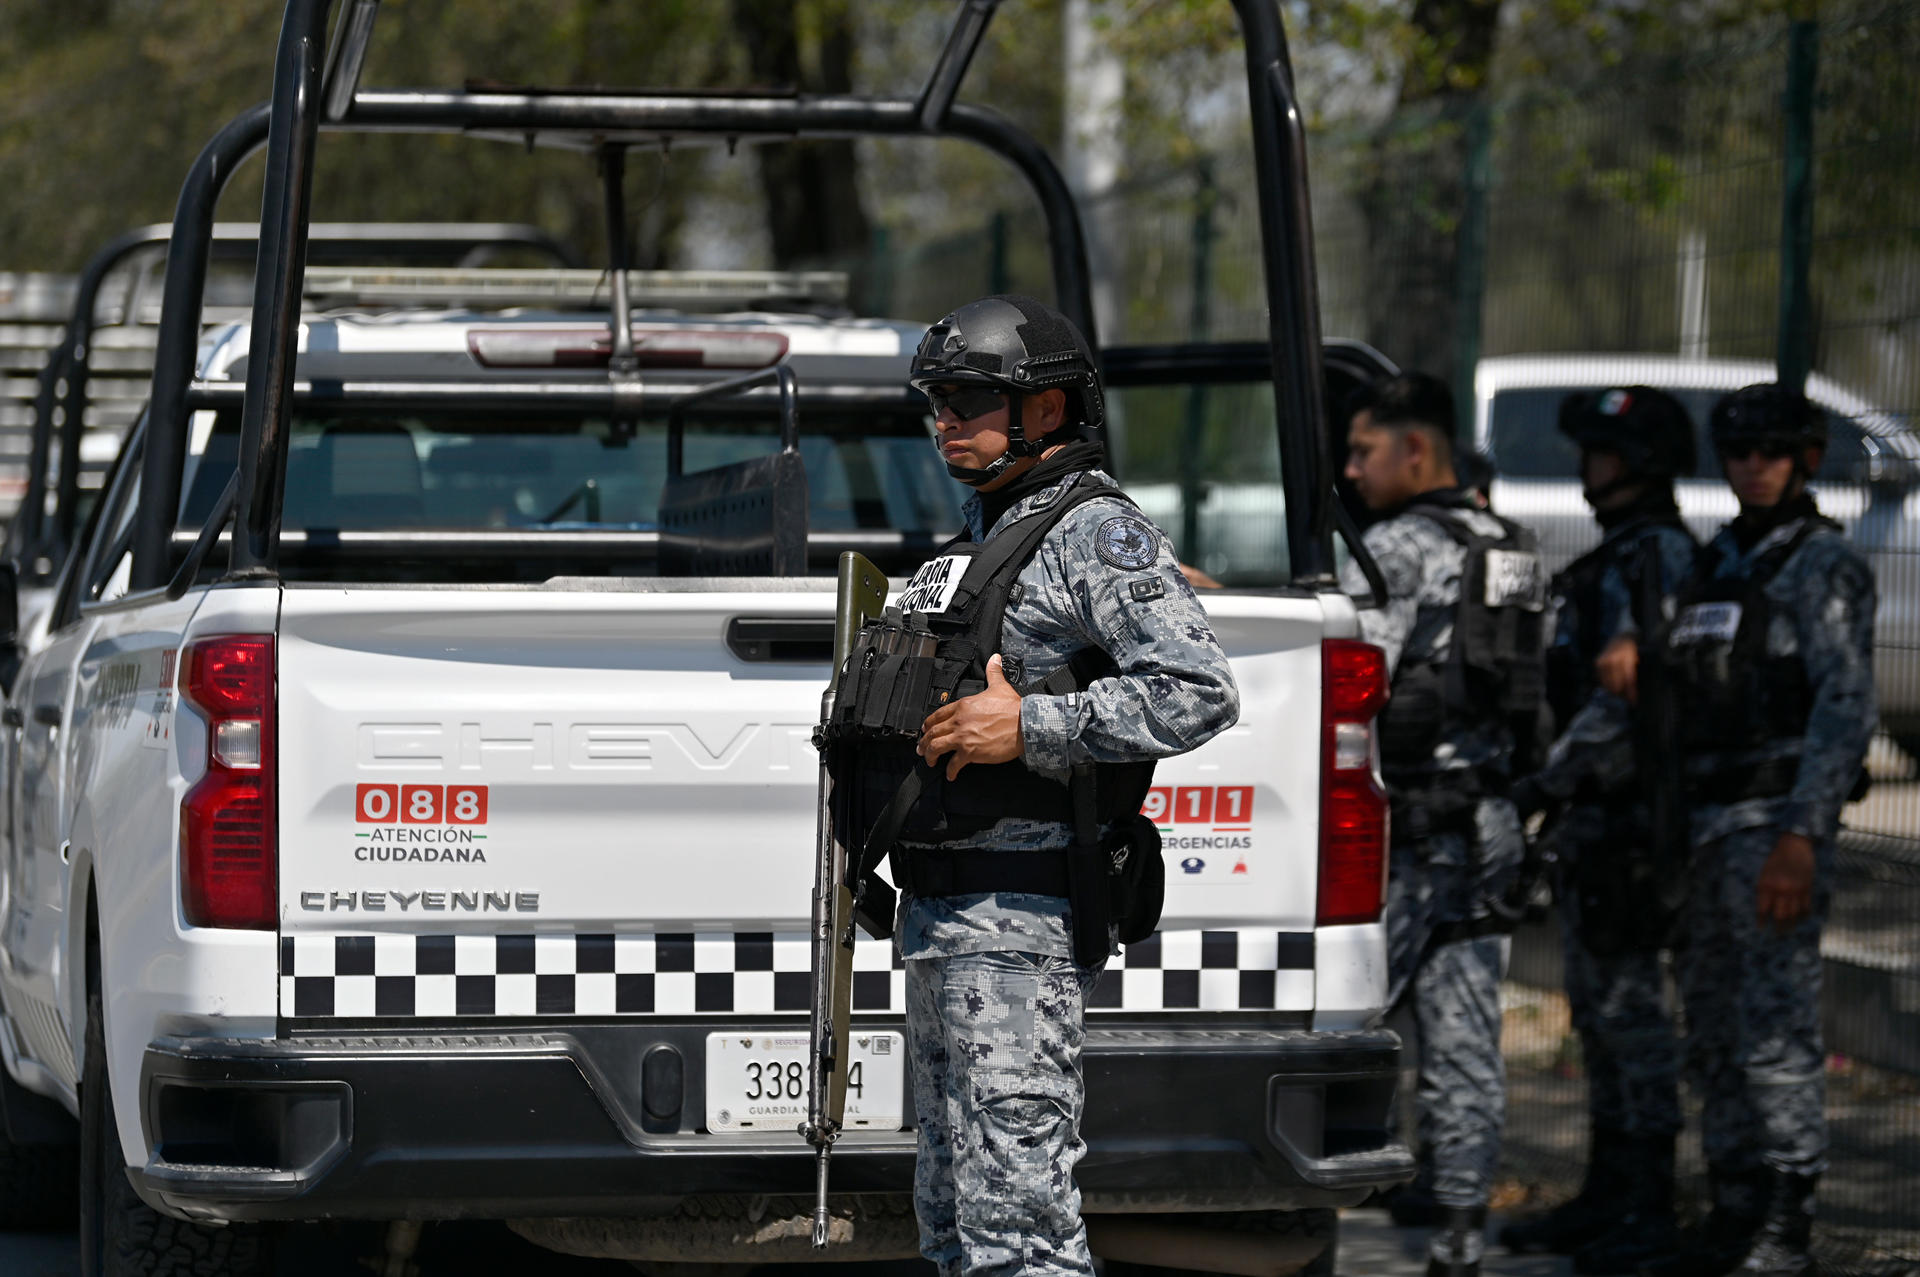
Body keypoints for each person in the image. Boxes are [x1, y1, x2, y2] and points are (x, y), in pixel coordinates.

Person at [883, 295, 1240, 1277]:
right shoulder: (984, 534)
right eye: (939, 401)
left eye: (968, 398)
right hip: (945, 914)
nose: (946, 419)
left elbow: (1199, 690)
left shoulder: (1092, 531)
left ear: (1046, 411)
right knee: (956, 1222)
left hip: (1017, 916)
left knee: (1021, 1230)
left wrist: (1027, 726)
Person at [1618, 385, 1876, 1277]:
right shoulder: (1720, 555)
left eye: (1773, 452)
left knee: (1776, 1029)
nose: (1754, 467)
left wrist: (1802, 837)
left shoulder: (1822, 563)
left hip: (1773, 824)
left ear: (1805, 459)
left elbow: (1845, 706)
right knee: (1715, 1029)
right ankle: (1732, 1206)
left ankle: (1787, 1221)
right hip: (1700, 826)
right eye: (1739, 453)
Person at [1339, 372, 1543, 1277]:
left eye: (1363, 450)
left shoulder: (1397, 545)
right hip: (1492, 818)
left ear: (1414, 450)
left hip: (1414, 822)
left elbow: (1346, 660)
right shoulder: (1512, 544)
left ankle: (1298, 1196)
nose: (1351, 470)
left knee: (1341, 1007)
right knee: (1464, 1029)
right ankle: (1461, 1232)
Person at [1498, 388, 1698, 1272]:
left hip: (1627, 820)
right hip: (1594, 821)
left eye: (1605, 453)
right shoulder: (1625, 552)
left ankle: (1649, 1205)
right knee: (1604, 1020)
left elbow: (1628, 702)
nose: (1590, 468)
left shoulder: (1657, 556)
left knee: (1632, 1021)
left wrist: (1546, 778)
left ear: (1645, 462)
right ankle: (1611, 1195)